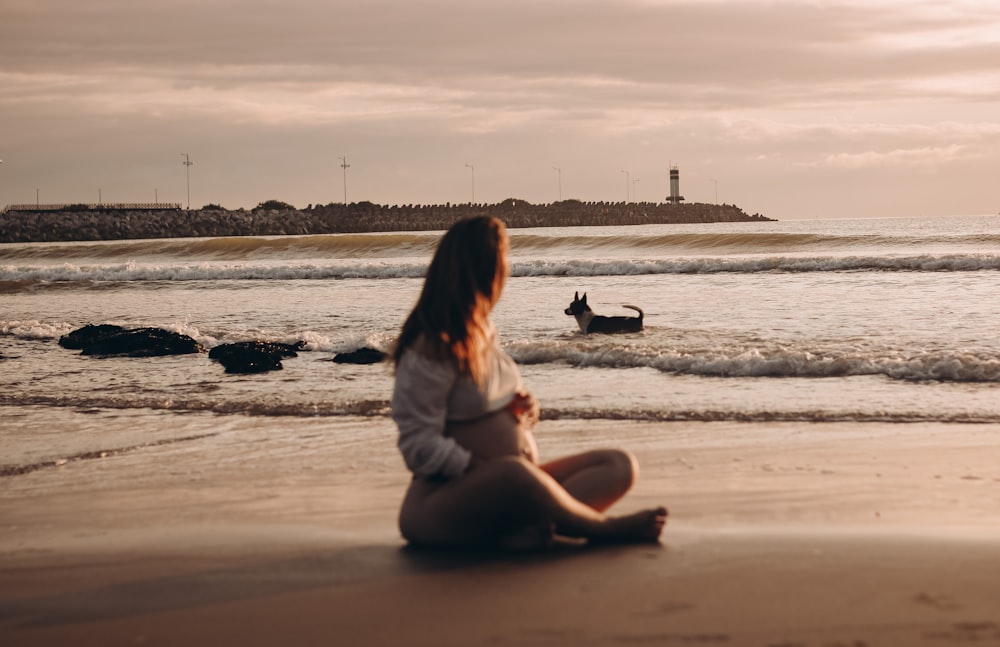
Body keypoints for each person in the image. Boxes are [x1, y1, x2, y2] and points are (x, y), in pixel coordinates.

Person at [391, 215, 667, 549]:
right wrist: (486, 470)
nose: (506, 270)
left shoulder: (484, 333)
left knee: (618, 464)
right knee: (513, 474)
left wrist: (522, 407)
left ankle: (527, 532)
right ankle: (602, 529)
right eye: (502, 261)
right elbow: (418, 446)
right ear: (482, 270)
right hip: (442, 504)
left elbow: (485, 403)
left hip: (510, 492)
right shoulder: (432, 342)